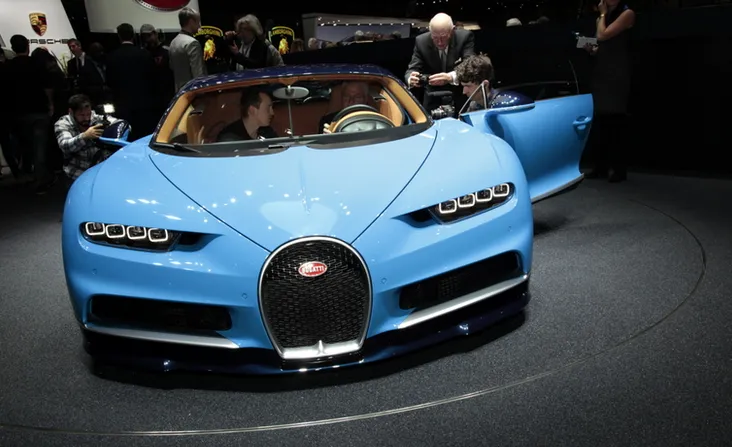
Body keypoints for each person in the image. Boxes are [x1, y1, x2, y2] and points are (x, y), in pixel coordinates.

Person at [584, 0, 635, 183]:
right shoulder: (602, 17)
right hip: (602, 72)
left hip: (617, 73)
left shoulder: (627, 13)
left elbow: (603, 35)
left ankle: (619, 169)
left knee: (616, 122)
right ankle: (601, 166)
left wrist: (602, 14)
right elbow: (600, 43)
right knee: (601, 122)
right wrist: (591, 48)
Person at [405, 13, 475, 111]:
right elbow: (411, 70)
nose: (439, 42)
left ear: (452, 31)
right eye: (435, 37)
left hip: (459, 96)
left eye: (443, 37)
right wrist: (411, 79)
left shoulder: (464, 37)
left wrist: (450, 77)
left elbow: (470, 67)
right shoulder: (421, 41)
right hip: (432, 97)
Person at [105, 23, 156, 141]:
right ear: (133, 35)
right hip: (144, 104)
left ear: (119, 36)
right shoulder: (144, 54)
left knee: (126, 137)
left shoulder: (112, 56)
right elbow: (153, 78)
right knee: (144, 137)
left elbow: (109, 81)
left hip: (122, 104)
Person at [54, 94, 117, 182]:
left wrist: (118, 127)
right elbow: (65, 146)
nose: (86, 118)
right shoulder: (62, 124)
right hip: (76, 174)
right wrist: (85, 136)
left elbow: (119, 123)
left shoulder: (96, 117)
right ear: (71, 112)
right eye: (82, 115)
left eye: (88, 114)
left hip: (99, 172)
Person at [169, 7, 206, 91]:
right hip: (192, 92)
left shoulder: (173, 42)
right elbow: (198, 75)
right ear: (191, 22)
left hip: (179, 92)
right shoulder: (193, 43)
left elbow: (172, 67)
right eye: (198, 22)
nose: (199, 26)